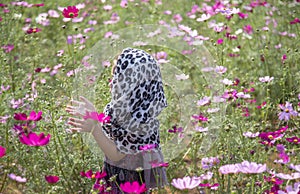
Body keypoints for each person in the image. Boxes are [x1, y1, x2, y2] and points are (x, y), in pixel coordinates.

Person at [66, 48, 168, 193]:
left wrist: (95, 128)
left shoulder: (139, 121)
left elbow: (116, 154)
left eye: (116, 77)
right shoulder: (127, 111)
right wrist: (93, 118)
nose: (111, 82)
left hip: (126, 186)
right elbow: (112, 138)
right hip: (115, 179)